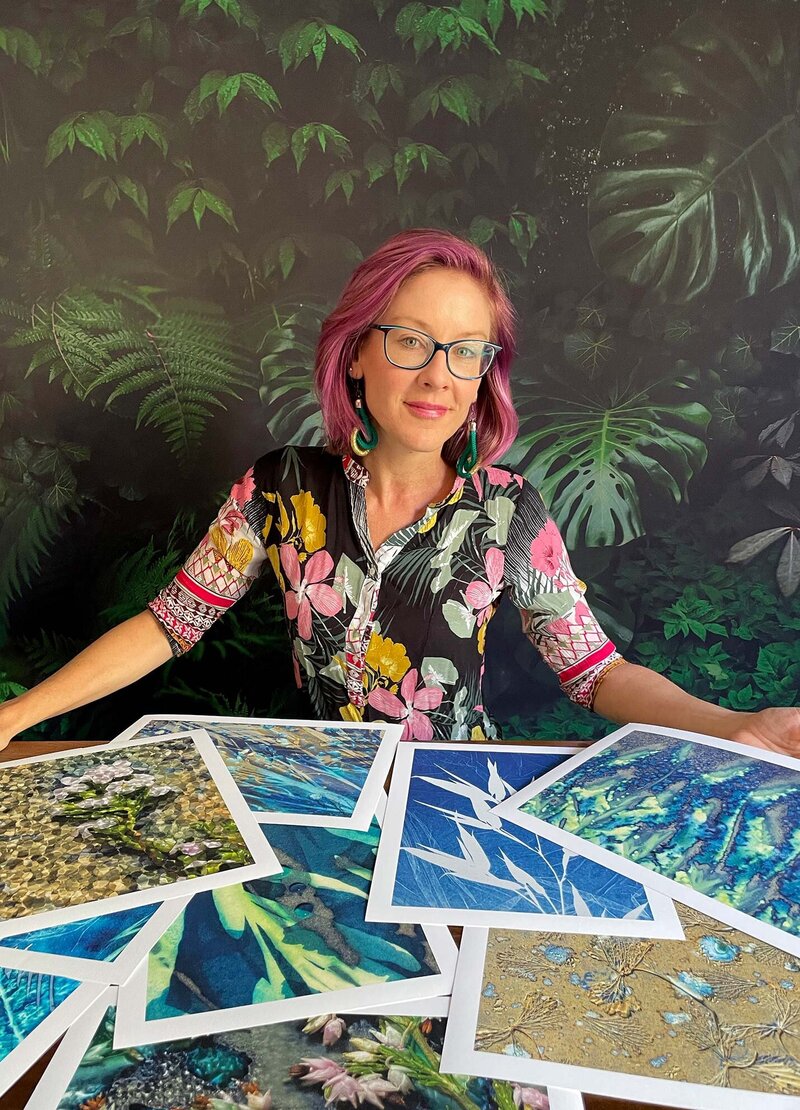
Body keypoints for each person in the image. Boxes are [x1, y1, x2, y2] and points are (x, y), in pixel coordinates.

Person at [1, 228, 798, 752]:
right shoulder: (280, 488)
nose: (437, 377)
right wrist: (15, 718)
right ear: (356, 354)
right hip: (320, 794)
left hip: (452, 804)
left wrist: (734, 725)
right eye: (412, 341)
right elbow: (169, 625)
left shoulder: (512, 513)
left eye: (465, 352)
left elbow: (594, 673)